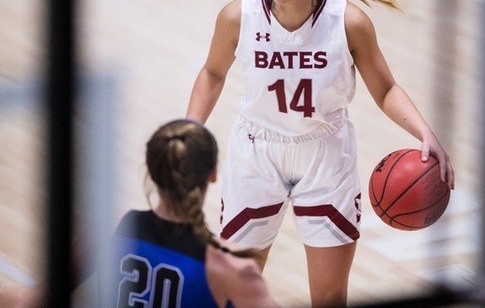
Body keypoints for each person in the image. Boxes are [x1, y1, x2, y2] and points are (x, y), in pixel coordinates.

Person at [186, 0, 455, 308]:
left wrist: (425, 134)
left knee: (329, 297)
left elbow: (386, 89)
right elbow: (212, 73)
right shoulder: (238, 17)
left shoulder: (348, 22)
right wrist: (188, 133)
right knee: (237, 287)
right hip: (257, 151)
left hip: (325, 155)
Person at [0, 119, 278, 308]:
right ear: (213, 174)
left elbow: (32, 301)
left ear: (152, 173)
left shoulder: (114, 227)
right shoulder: (232, 267)